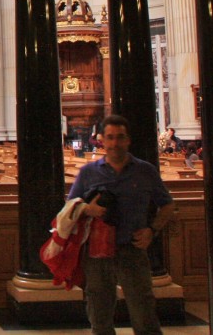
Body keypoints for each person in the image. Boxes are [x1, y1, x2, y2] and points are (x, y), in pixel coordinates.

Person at [69, 114, 175, 335]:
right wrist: (88, 209)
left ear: (128, 140)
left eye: (120, 137)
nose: (115, 143)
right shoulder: (89, 172)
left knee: (144, 313)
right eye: (110, 137)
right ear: (102, 140)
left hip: (132, 249)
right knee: (99, 315)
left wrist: (152, 230)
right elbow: (71, 205)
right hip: (98, 252)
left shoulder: (145, 171)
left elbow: (167, 204)